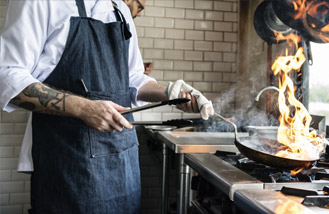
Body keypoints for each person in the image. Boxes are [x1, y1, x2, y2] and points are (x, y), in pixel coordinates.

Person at [0, 0, 214, 213]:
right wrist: (83, 108)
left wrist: (170, 92)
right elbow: (7, 74)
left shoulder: (119, 10)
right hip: (67, 162)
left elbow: (132, 78)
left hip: (123, 163)